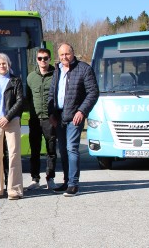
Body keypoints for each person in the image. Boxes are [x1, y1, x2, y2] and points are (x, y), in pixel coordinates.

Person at [47, 43, 99, 197]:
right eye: (61, 55)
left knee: (72, 149)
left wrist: (82, 111)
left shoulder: (84, 69)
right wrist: (51, 114)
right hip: (59, 117)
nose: (64, 57)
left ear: (73, 53)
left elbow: (93, 92)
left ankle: (73, 184)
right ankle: (67, 181)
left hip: (74, 116)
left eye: (67, 54)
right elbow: (52, 93)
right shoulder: (57, 70)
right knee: (63, 150)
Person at [0, 53, 24, 200]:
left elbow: (20, 102)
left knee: (14, 155)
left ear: (9, 64)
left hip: (11, 121)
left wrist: (7, 117)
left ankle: (14, 189)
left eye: (4, 63)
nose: (2, 66)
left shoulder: (16, 81)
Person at [26, 48, 58, 191]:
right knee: (35, 150)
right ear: (36, 59)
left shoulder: (56, 75)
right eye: (40, 58)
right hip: (34, 119)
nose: (43, 61)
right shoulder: (30, 77)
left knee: (51, 150)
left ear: (50, 59)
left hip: (50, 119)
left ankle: (50, 178)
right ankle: (35, 179)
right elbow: (27, 98)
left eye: (45, 58)